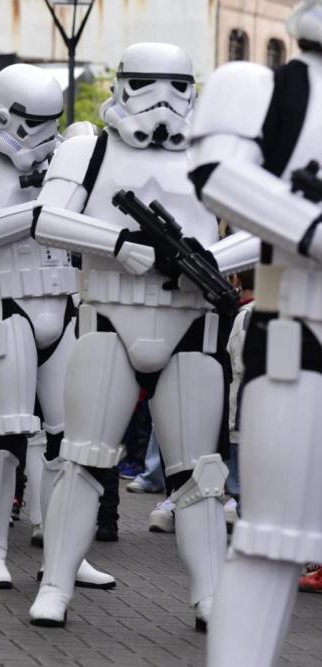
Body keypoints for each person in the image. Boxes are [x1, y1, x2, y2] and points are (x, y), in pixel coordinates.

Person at [29, 42, 258, 630]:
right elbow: (48, 217)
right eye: (147, 84)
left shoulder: (213, 155)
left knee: (200, 473)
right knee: (83, 460)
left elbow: (262, 226)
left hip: (192, 321)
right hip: (108, 316)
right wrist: (118, 246)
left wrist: (210, 257)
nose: (163, 101)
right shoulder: (89, 150)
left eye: (176, 86)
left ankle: (210, 596)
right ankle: (55, 583)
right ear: (122, 85)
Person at [0, 65, 111, 590]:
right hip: (3, 305)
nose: (36, 133)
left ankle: (63, 549)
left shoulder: (64, 161)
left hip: (61, 306)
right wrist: (44, 208)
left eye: (46, 122)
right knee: (8, 432)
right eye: (27, 121)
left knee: (68, 441)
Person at [188, 2, 321, 658]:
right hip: (300, 328)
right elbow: (218, 177)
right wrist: (311, 230)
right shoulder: (272, 89)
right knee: (271, 540)